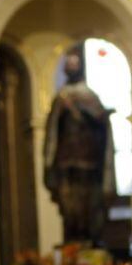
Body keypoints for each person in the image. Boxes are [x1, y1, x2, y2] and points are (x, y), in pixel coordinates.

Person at [41, 49, 116, 244]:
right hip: (66, 161)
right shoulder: (61, 98)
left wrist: (83, 111)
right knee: (69, 207)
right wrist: (49, 163)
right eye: (69, 64)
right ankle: (72, 238)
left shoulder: (90, 96)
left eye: (75, 64)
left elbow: (100, 123)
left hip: (88, 161)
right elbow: (53, 132)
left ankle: (89, 237)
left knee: (88, 205)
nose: (71, 67)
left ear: (80, 68)